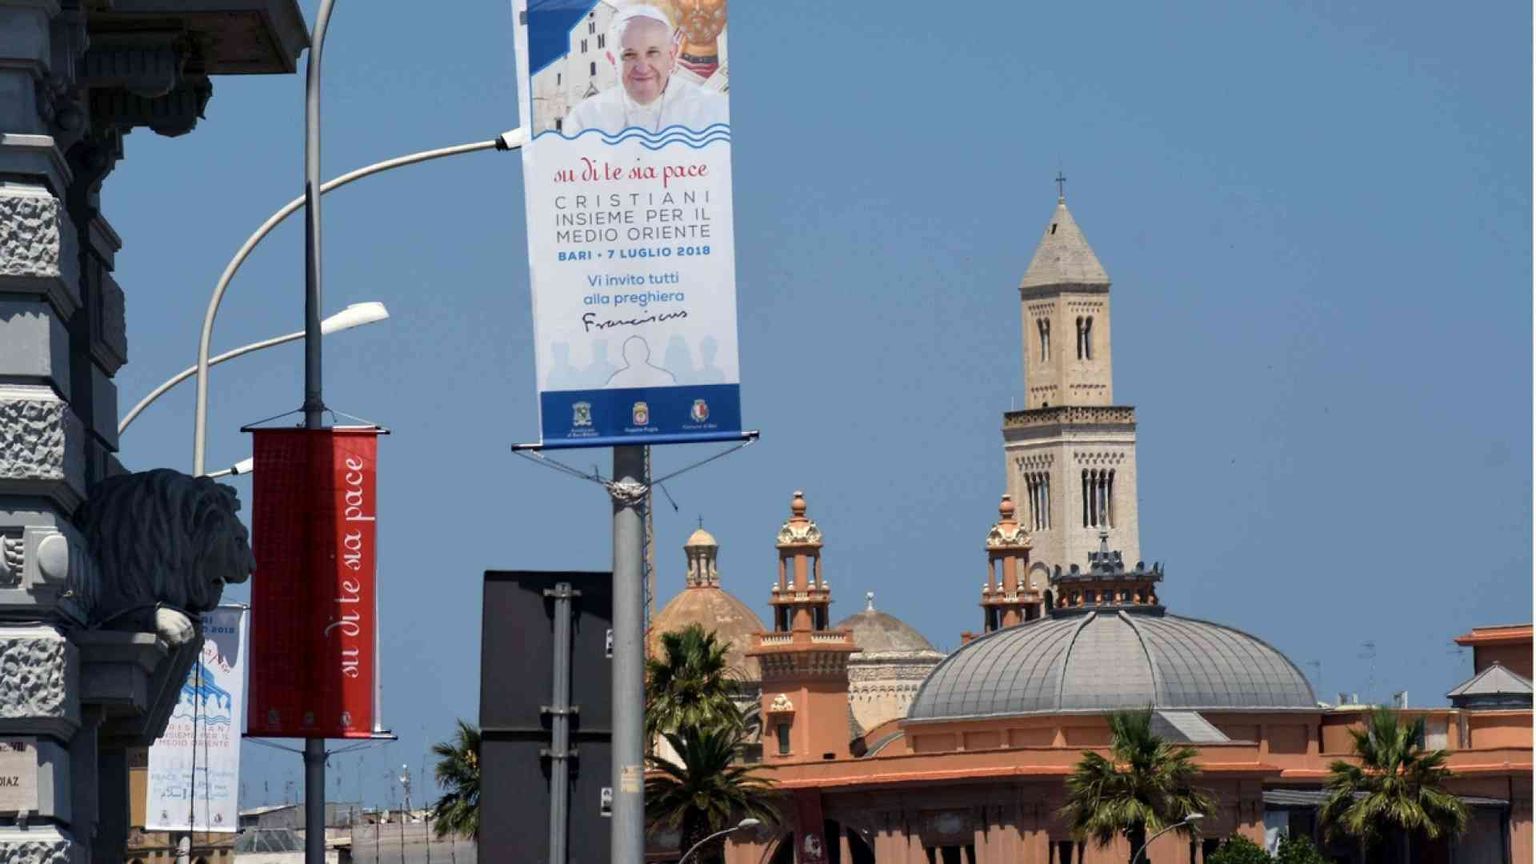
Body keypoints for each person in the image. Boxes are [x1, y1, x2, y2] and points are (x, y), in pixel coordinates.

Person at [563, 5, 728, 135]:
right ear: (612, 60)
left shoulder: (714, 110)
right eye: (629, 55)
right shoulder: (585, 119)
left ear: (671, 55)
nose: (642, 68)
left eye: (653, 53)